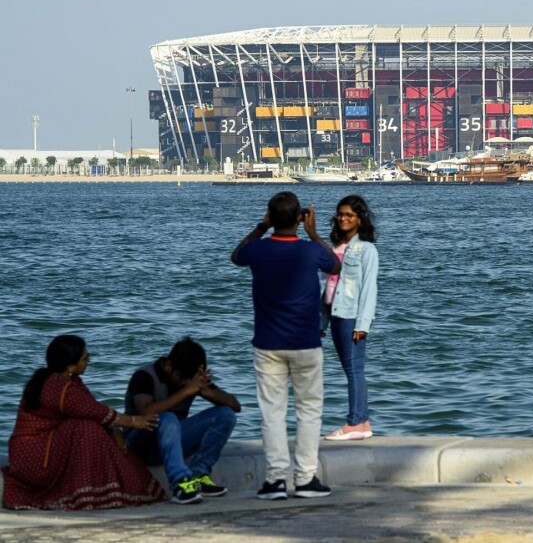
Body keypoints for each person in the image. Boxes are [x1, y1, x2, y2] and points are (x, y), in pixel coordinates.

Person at [231, 191, 339, 500]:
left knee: (272, 414)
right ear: (298, 218)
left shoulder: (259, 250)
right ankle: (305, 479)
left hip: (268, 344)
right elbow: (335, 267)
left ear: (270, 217)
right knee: (309, 411)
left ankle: (275, 480)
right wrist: (314, 233)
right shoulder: (309, 251)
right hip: (306, 343)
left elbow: (236, 256)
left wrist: (260, 228)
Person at [2, 335, 166, 510]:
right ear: (71, 365)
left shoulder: (69, 381)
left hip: (44, 448)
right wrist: (132, 421)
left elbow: (93, 409)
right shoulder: (57, 386)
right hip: (34, 457)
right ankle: (87, 495)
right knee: (86, 428)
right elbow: (93, 411)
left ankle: (103, 492)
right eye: (85, 358)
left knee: (97, 429)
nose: (88, 361)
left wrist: (114, 431)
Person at [123, 337, 241, 504]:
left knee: (225, 415)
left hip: (172, 442)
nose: (183, 382)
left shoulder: (189, 380)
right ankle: (180, 484)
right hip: (140, 443)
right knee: (168, 418)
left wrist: (208, 391)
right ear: (169, 366)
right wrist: (186, 391)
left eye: (189, 380)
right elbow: (145, 412)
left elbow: (235, 406)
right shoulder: (144, 376)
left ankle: (199, 475)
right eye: (181, 377)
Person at [323, 195, 379, 442]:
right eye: (340, 214)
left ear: (360, 218)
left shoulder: (367, 249)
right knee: (351, 369)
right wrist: (321, 323)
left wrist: (363, 324)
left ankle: (355, 421)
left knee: (354, 370)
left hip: (351, 317)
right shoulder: (337, 249)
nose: (343, 218)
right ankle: (363, 421)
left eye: (349, 215)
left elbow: (369, 289)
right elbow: (329, 287)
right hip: (335, 315)